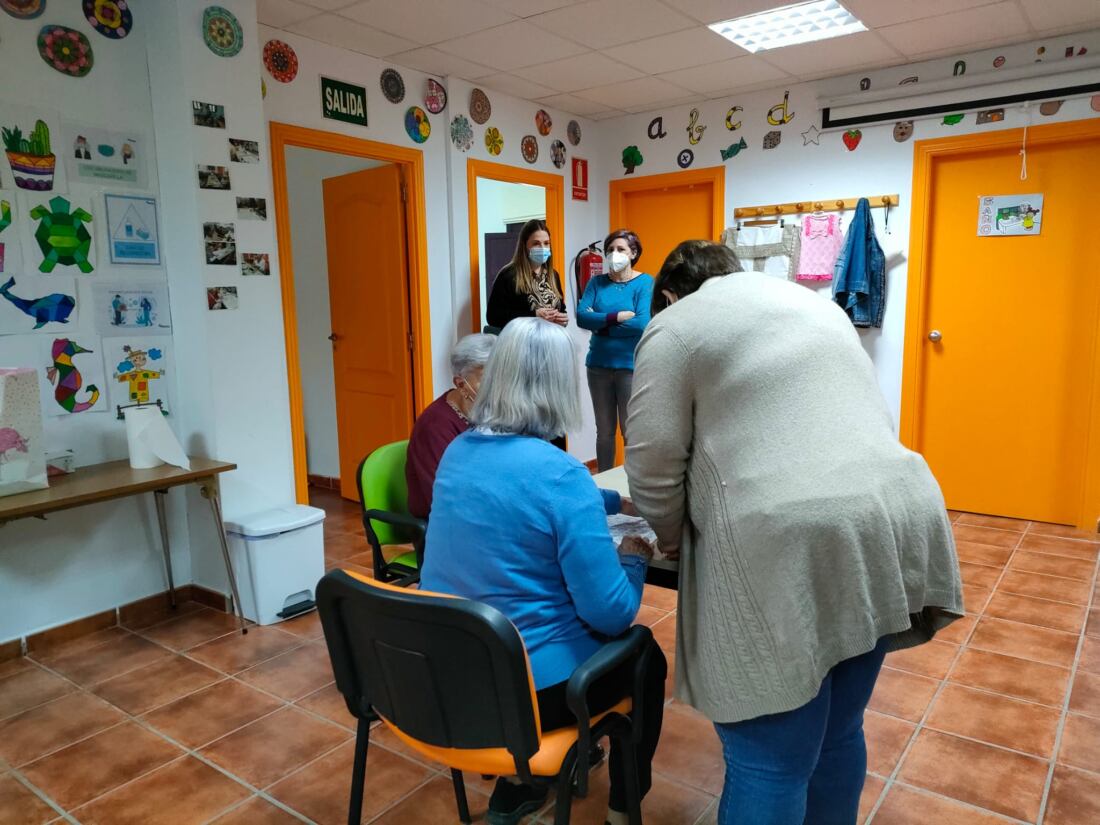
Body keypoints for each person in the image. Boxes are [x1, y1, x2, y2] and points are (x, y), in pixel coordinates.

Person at [625, 241, 963, 825]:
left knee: (770, 762)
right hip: (894, 513)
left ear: (670, 296)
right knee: (837, 732)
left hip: (788, 537)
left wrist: (674, 542)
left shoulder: (675, 326)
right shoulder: (818, 307)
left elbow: (652, 469)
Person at [421, 318, 667, 825]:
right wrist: (636, 553)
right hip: (531, 695)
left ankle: (516, 789)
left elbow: (519, 495)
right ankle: (624, 808)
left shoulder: (457, 453)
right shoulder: (561, 474)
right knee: (644, 655)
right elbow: (613, 612)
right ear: (560, 385)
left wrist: (605, 499)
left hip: (453, 678)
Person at [576, 229, 653, 471]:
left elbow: (641, 323)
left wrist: (600, 324)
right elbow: (580, 318)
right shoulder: (596, 283)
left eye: (620, 249)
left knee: (631, 431)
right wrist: (617, 317)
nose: (614, 254)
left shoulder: (645, 283)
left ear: (634, 253)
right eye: (610, 250)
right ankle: (605, 483)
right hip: (598, 366)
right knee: (605, 432)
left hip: (629, 367)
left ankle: (633, 485)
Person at [405, 333, 495, 519]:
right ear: (461, 384)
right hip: (445, 524)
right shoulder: (434, 426)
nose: (496, 386)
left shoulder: (493, 414)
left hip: (484, 512)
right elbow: (441, 497)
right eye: (487, 378)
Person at [486, 219, 567, 331]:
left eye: (546, 243)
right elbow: (493, 317)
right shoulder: (509, 275)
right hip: (522, 343)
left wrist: (563, 318)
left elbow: (561, 309)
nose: (543, 248)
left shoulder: (553, 275)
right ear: (524, 245)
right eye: (536, 243)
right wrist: (533, 315)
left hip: (551, 341)